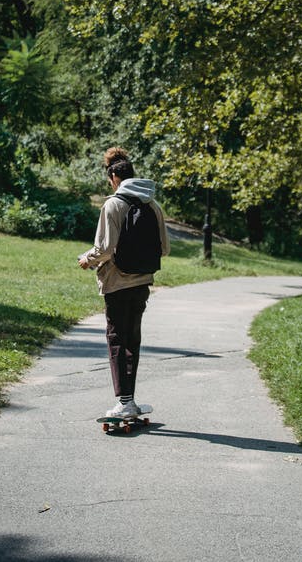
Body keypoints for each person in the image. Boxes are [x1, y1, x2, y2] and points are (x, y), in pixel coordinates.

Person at [78, 147, 170, 417]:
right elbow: (164, 249)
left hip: (117, 282)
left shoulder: (113, 205)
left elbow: (104, 250)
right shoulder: (153, 205)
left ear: (114, 178)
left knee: (116, 338)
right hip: (142, 282)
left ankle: (125, 402)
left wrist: (87, 259)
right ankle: (130, 400)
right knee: (133, 339)